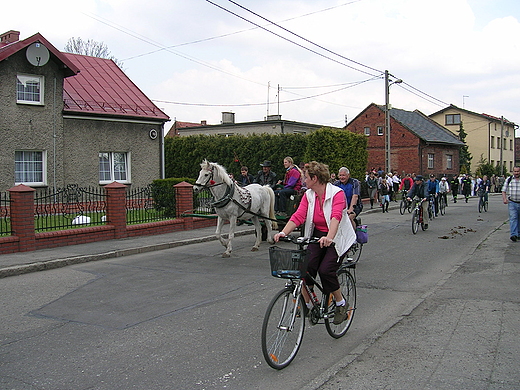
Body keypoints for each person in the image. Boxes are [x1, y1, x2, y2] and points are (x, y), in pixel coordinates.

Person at [273, 161, 356, 325]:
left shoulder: (336, 194)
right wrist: (283, 232)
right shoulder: (308, 195)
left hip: (337, 235)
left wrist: (330, 237)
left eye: (305, 177)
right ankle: (311, 305)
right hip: (317, 234)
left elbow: (336, 217)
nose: (303, 180)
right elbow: (298, 216)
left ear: (315, 178)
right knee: (304, 269)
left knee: (325, 270)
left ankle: (341, 303)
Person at [501, 166, 520, 242]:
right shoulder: (509, 180)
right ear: (513, 172)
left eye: (518, 171)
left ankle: (518, 233)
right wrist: (504, 199)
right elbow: (503, 190)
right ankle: (513, 234)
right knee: (513, 218)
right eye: (515, 171)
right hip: (512, 202)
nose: (516, 173)